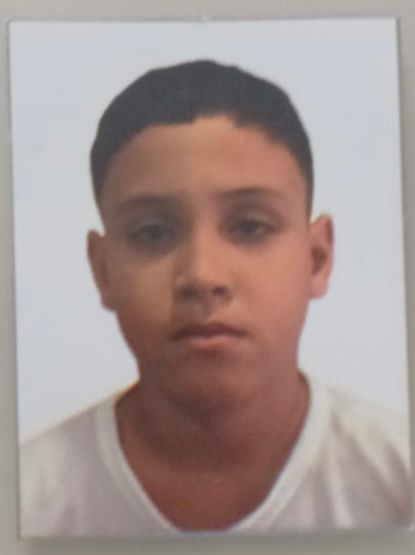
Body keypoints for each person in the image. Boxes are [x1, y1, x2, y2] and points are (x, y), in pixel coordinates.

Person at [20, 60, 412, 537]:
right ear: (103, 270)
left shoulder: (398, 480)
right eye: (152, 232)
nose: (202, 275)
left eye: (250, 226)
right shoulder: (28, 498)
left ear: (316, 258)